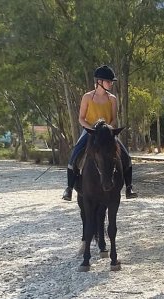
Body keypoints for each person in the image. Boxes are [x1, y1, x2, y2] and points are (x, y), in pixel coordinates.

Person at [62, 65, 138, 201]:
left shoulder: (112, 99)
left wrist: (108, 129)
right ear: (99, 82)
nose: (110, 84)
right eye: (108, 81)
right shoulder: (87, 97)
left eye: (111, 82)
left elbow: (114, 118)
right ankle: (69, 188)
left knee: (126, 156)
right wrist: (91, 129)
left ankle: (129, 187)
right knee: (75, 154)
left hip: (107, 133)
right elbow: (81, 118)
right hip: (90, 132)